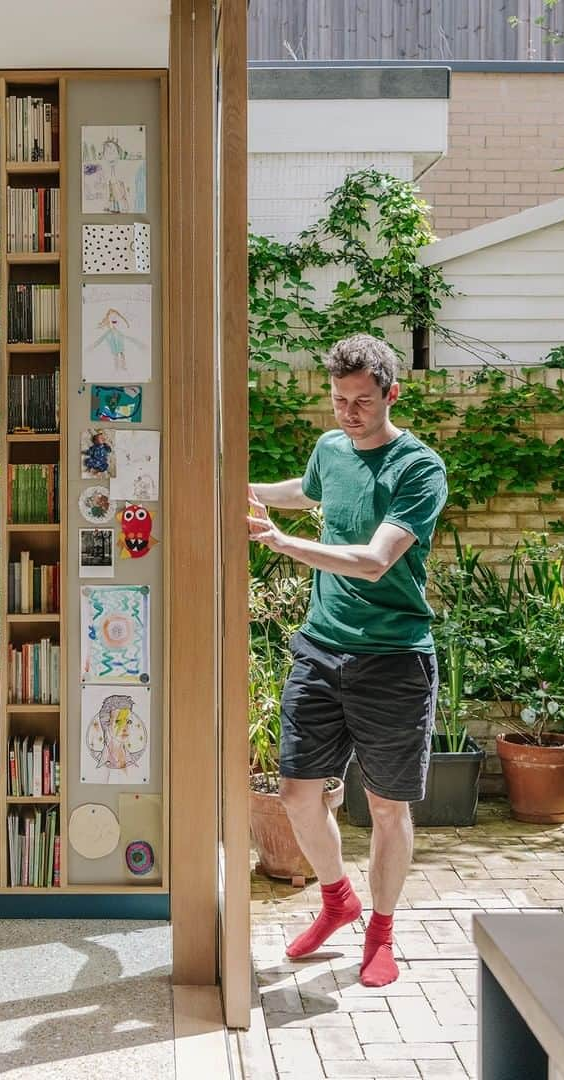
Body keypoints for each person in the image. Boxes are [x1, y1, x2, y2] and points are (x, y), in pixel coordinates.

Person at [247, 333, 447, 988]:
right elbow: (310, 491)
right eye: (338, 400)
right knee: (298, 795)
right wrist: (240, 488)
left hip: (393, 658)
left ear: (391, 393)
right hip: (321, 645)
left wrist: (281, 544)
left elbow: (372, 560)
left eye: (361, 401)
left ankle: (381, 935)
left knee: (387, 808)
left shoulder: (418, 468)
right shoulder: (331, 446)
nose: (348, 413)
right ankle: (338, 902)